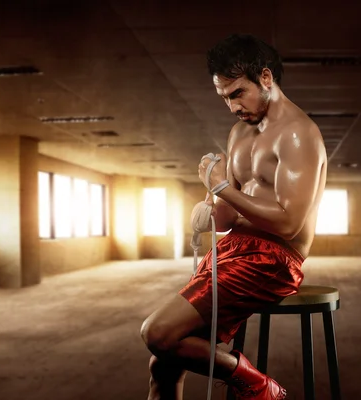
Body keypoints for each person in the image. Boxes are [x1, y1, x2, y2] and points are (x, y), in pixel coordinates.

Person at [140, 34, 327, 400]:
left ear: (266, 78)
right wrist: (210, 199)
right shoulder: (239, 133)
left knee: (156, 334)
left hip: (272, 259)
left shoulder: (299, 134)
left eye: (238, 93)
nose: (232, 106)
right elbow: (226, 219)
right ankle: (248, 379)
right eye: (224, 97)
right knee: (162, 363)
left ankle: (257, 384)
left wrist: (224, 187)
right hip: (229, 250)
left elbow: (290, 224)